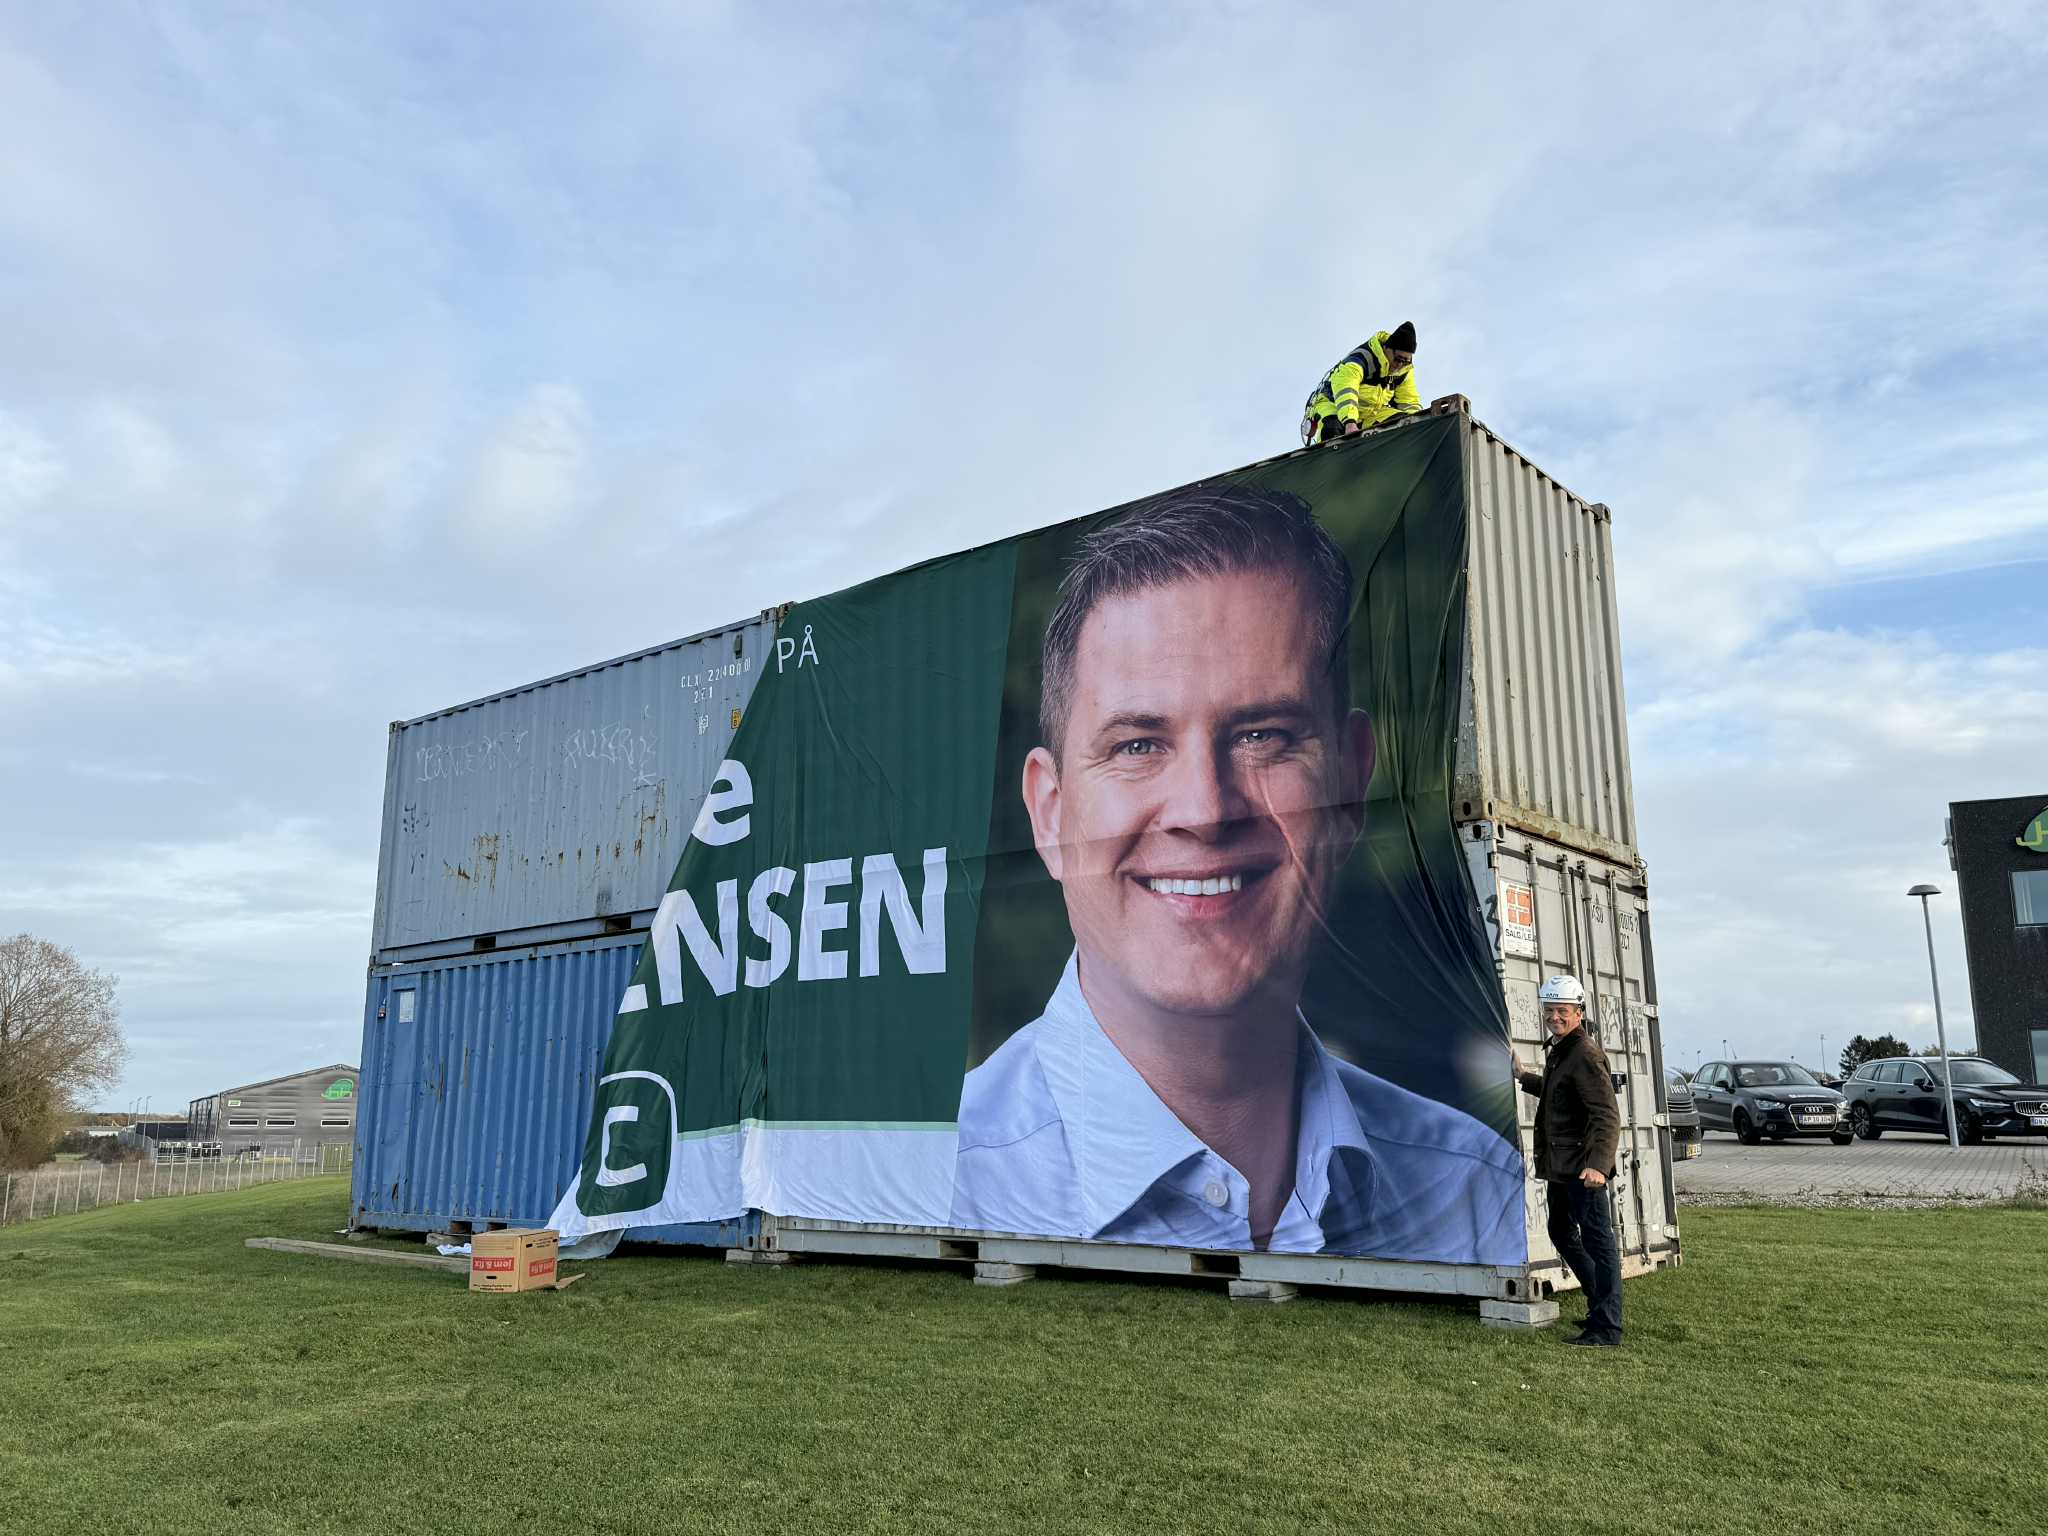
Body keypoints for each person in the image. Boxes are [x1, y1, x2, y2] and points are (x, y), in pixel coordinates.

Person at [950, 485, 1524, 1262]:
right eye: (1138, 745)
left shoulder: (1479, 1195)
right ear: (1049, 812)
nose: (1205, 810)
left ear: (1352, 785)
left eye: (1263, 735)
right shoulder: (943, 1179)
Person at [1514, 974, 1623, 1345]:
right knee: (1560, 1231)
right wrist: (1523, 1076)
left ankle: (1607, 1326)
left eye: (1563, 1011)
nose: (1555, 1017)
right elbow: (1560, 1092)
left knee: (1598, 1242)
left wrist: (1598, 1164)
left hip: (1583, 1169)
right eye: (1550, 1010)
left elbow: (1606, 1114)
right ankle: (1598, 1306)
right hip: (1563, 1167)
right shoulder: (1562, 1050)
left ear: (1578, 1012)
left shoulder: (1586, 1054)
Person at [1301, 321, 1421, 445]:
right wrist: (1350, 422)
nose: (1400, 365)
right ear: (1386, 348)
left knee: (1402, 422)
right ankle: (1329, 461)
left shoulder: (1404, 371)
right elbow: (1347, 391)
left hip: (1369, 414)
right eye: (1398, 359)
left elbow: (1408, 402)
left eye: (1406, 361)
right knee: (1332, 430)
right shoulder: (1358, 361)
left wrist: (1420, 422)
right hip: (1333, 404)